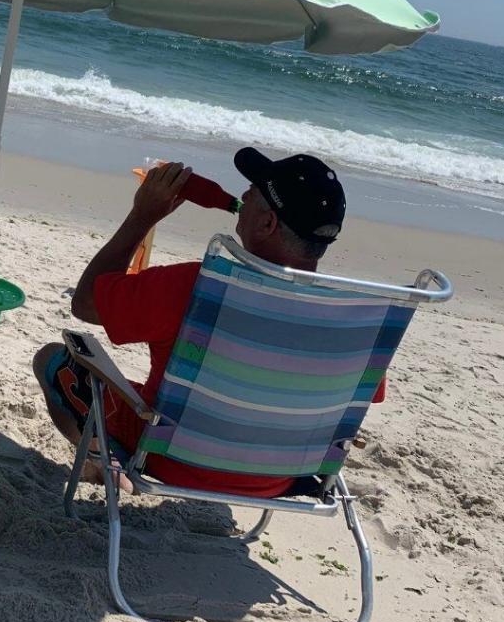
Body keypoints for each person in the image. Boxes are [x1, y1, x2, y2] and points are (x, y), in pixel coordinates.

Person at [34, 150, 352, 498]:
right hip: (282, 476)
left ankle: (103, 462)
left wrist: (142, 217)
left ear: (267, 223)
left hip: (171, 459)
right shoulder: (348, 319)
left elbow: (85, 303)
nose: (243, 196)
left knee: (52, 359)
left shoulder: (198, 289)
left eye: (253, 192)